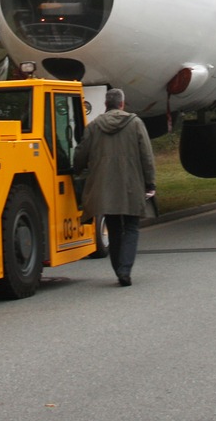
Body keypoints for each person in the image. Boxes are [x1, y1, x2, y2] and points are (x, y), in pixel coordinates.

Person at [74, 88, 156, 287]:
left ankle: (118, 268)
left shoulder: (93, 127)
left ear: (105, 105)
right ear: (122, 104)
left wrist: (78, 170)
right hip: (131, 183)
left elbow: (80, 156)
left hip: (104, 186)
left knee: (113, 227)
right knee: (131, 227)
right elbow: (146, 155)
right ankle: (125, 269)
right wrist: (150, 182)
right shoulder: (136, 123)